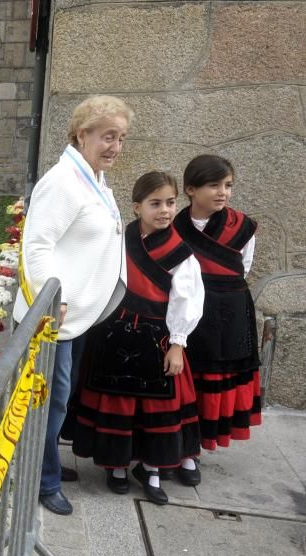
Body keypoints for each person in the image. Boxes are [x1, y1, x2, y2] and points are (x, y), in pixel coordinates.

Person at [14, 95, 133, 516]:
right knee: (47, 400)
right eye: (107, 136)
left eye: (120, 137)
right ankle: (41, 482)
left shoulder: (92, 179)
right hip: (53, 320)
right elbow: (36, 246)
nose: (116, 146)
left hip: (75, 318)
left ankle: (43, 464)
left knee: (57, 400)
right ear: (82, 135)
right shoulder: (64, 182)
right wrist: (51, 302)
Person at [72, 172, 204, 504]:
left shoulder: (181, 254)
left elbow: (186, 299)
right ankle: (116, 465)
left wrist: (177, 343)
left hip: (157, 337)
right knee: (117, 402)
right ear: (136, 207)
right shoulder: (119, 240)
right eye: (155, 203)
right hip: (113, 335)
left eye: (171, 203)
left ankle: (152, 467)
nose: (165, 210)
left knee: (154, 407)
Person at [173, 155, 262, 451]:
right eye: (214, 185)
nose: (223, 192)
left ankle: (197, 448)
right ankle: (176, 444)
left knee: (214, 379)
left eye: (228, 185)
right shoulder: (175, 227)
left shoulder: (243, 228)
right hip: (189, 314)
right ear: (190, 189)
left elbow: (243, 268)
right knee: (187, 378)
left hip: (228, 314)